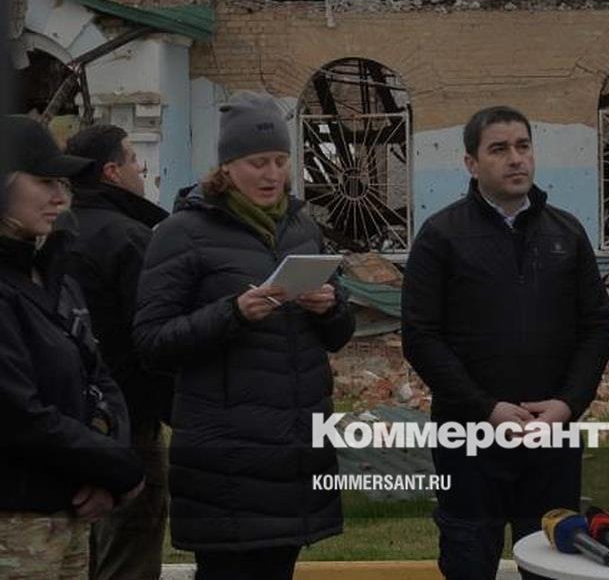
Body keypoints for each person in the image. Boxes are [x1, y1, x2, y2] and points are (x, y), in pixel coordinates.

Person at [133, 92, 355, 580]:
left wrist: (330, 307)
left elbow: (339, 335)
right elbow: (151, 341)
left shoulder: (302, 228)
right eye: (258, 163)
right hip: (225, 463)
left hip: (294, 454)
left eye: (280, 160)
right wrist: (232, 313)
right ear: (227, 167)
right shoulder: (181, 233)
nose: (272, 174)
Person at [401, 105, 609, 580]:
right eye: (498, 149)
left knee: (553, 564)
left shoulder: (566, 233)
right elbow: (420, 336)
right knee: (468, 556)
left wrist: (567, 404)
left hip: (550, 436)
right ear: (471, 163)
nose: (515, 159)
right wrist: (486, 408)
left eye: (523, 146)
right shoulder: (441, 236)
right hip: (468, 437)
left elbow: (597, 327)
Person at [0, 115, 145, 578]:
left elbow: (98, 379)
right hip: (14, 523)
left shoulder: (53, 276)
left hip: (69, 514)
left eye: (61, 184)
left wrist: (107, 472)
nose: (60, 197)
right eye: (44, 182)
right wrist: (116, 468)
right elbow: (19, 413)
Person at [62, 125, 171, 580]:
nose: (141, 171)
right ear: (112, 171)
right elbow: (150, 335)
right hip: (129, 419)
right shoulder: (129, 237)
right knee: (130, 549)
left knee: (78, 552)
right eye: (134, 161)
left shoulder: (56, 231)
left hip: (67, 420)